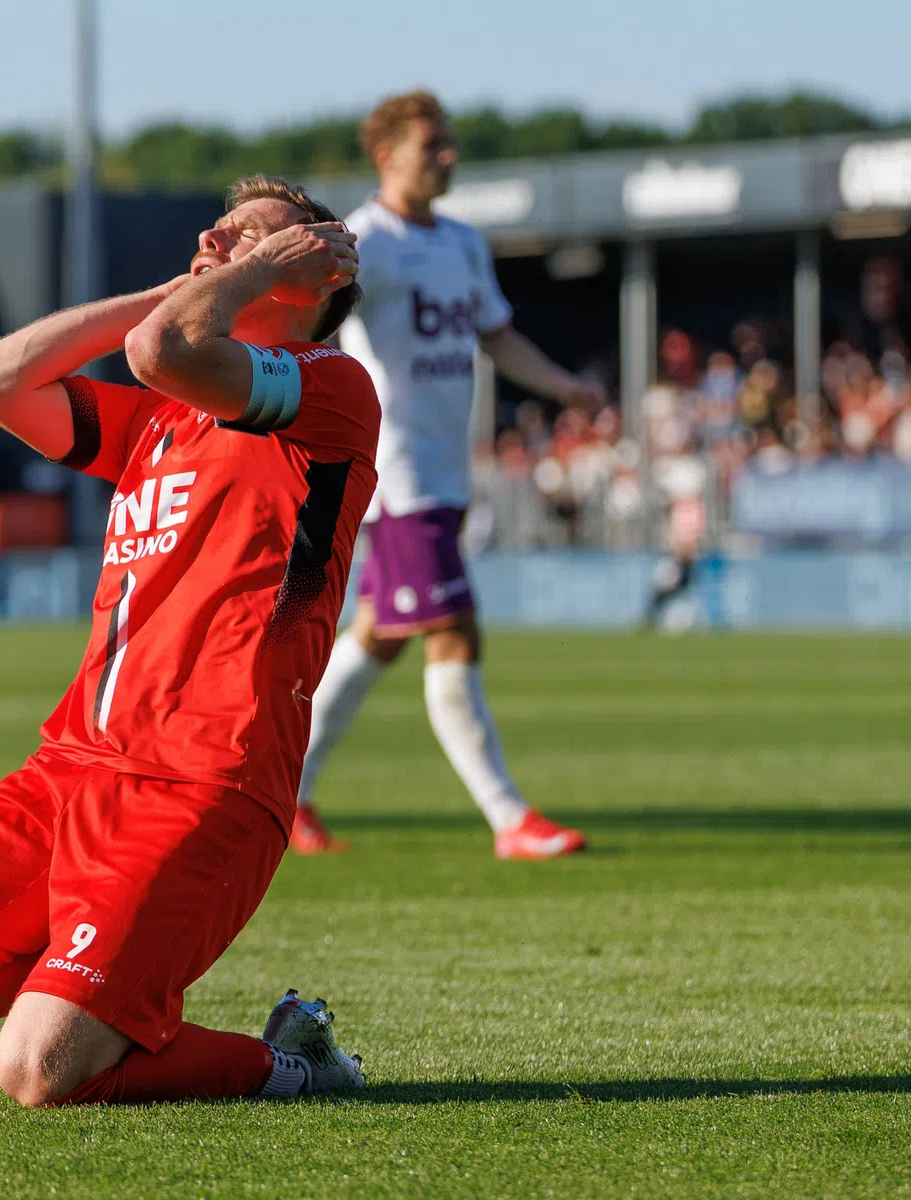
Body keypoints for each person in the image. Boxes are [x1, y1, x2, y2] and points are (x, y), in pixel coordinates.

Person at [0, 176, 381, 1106]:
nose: (219, 234)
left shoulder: (332, 392)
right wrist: (209, 272)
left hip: (206, 782)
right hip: (70, 768)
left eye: (252, 234)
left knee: (38, 1071)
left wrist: (242, 276)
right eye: (220, 230)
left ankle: (295, 1066)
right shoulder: (159, 421)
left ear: (314, 273)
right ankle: (90, 985)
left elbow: (160, 350)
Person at [291, 90, 597, 859]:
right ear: (387, 155)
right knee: (454, 632)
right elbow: (305, 320)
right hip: (399, 474)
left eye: (452, 143)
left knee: (381, 637)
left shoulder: (463, 242)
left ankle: (285, 795)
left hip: (447, 472)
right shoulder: (367, 241)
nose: (449, 157)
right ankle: (509, 819)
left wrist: (563, 386)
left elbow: (495, 336)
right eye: (434, 146)